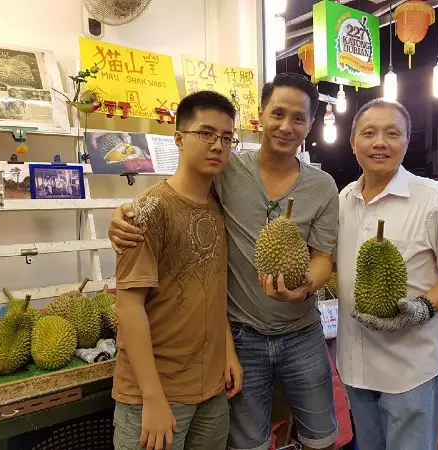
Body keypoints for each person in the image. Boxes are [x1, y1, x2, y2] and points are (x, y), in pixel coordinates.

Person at [108, 73, 340, 450]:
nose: (286, 126)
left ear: (310, 125)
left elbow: (323, 257)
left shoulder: (322, 186)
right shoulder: (228, 170)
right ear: (261, 115)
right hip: (243, 334)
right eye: (277, 113)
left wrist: (305, 286)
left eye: (298, 118)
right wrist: (125, 215)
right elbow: (177, 190)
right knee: (249, 442)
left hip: (299, 333)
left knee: (322, 436)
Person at [335, 98, 438, 450]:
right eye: (368, 133)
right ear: (353, 142)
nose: (379, 142)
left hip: (409, 369)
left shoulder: (433, 199)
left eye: (392, 133)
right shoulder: (343, 199)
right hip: (354, 365)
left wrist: (423, 307)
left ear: (407, 142)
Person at [112, 90, 243, 450]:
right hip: (154, 395)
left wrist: (227, 352)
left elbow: (212, 291)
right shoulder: (149, 211)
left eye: (226, 138)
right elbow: (129, 306)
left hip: (211, 391)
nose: (217, 145)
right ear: (179, 139)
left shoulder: (219, 208)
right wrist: (152, 397)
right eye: (206, 133)